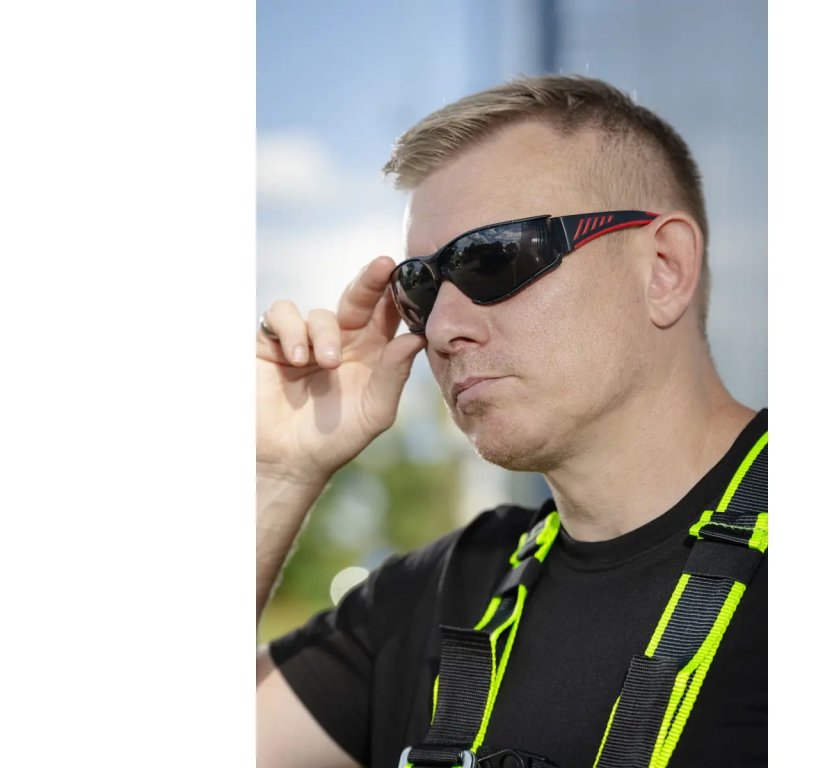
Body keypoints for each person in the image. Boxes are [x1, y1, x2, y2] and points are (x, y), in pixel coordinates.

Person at [256, 75, 767, 768]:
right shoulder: (435, 596)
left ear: (664, 269)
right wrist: (277, 471)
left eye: (493, 259)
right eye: (419, 288)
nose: (442, 328)